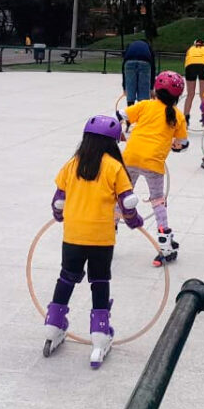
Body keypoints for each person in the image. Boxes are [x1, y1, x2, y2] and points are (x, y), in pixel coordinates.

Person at [43, 115, 144, 368]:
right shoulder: (114, 167)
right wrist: (134, 221)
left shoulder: (73, 164)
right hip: (101, 238)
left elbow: (58, 199)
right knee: (99, 282)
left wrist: (58, 214)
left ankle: (53, 326)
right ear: (112, 143)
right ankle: (100, 335)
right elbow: (127, 203)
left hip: (73, 235)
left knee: (67, 277)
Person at [117, 71, 188, 267]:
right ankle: (165, 244)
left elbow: (120, 115)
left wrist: (117, 133)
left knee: (121, 194)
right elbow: (182, 143)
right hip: (153, 163)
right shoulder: (178, 116)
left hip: (130, 156)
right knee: (158, 201)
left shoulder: (145, 105)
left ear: (156, 89)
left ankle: (108, 233)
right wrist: (175, 145)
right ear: (177, 96)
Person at [182, 38, 204, 124]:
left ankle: (185, 119)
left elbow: (186, 61)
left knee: (190, 95)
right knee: (203, 95)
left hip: (190, 66)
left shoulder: (190, 49)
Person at [121, 39, 156, 106]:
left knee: (130, 93)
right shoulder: (148, 47)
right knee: (143, 96)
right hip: (145, 62)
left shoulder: (130, 45)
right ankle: (143, 112)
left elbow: (123, 68)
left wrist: (125, 87)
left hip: (129, 62)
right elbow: (153, 69)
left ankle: (131, 111)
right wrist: (151, 88)